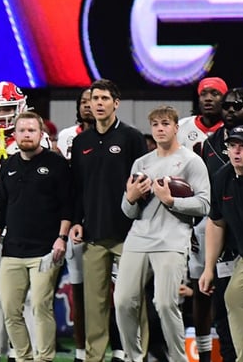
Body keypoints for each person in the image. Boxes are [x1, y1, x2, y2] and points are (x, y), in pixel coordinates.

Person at [116, 106, 210, 362]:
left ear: (176, 128)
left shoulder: (192, 161)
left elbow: (204, 205)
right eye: (155, 124)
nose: (159, 128)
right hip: (138, 239)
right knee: (123, 301)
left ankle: (178, 359)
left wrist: (171, 201)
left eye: (165, 123)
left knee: (166, 304)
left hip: (172, 239)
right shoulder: (142, 162)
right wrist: (130, 198)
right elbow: (128, 212)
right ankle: (134, 357)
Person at [69, 79, 148, 362]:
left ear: (116, 103)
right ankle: (94, 357)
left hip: (129, 235)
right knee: (94, 304)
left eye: (104, 98)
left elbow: (144, 186)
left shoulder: (132, 138)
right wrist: (77, 220)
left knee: (130, 301)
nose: (98, 103)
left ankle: (136, 355)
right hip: (93, 236)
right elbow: (76, 188)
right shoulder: (81, 142)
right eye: (94, 99)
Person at [0, 112, 71, 362]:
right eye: (22, 130)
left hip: (46, 249)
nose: (26, 134)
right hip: (12, 249)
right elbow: (3, 204)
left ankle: (44, 359)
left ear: (41, 135)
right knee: (10, 310)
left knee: (40, 306)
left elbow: (68, 205)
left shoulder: (56, 164)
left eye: (31, 130)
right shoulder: (9, 165)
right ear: (14, 135)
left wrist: (62, 238)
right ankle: (23, 358)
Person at [199, 125, 243, 362]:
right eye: (232, 146)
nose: (236, 151)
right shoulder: (222, 178)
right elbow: (216, 223)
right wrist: (208, 268)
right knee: (236, 297)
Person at [177, 76, 226, 362]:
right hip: (195, 214)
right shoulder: (183, 127)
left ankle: (235, 348)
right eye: (203, 93)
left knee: (230, 287)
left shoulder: (234, 129)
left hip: (228, 215)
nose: (208, 98)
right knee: (201, 288)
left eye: (214, 94)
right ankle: (205, 353)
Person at [54, 88, 93, 362]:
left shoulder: (120, 136)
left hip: (104, 217)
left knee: (113, 291)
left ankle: (118, 347)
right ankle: (81, 350)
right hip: (69, 216)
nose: (89, 105)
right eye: (84, 101)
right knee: (76, 287)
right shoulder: (67, 136)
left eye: (95, 100)